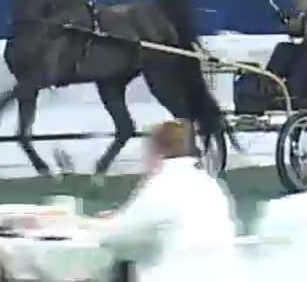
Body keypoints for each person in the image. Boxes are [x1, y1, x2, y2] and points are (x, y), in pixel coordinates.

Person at [96, 120, 241, 282]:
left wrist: (98, 225)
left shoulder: (161, 186)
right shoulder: (209, 184)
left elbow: (116, 239)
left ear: (157, 152)